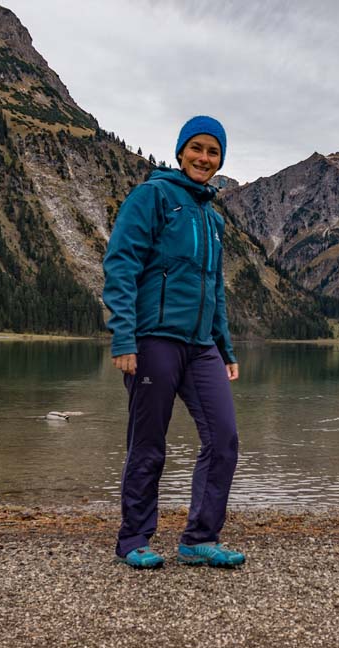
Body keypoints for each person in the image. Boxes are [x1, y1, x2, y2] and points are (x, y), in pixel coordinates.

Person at [102, 115, 244, 569]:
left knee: (223, 438)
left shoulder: (212, 216)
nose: (204, 158)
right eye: (197, 148)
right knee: (148, 442)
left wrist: (224, 348)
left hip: (201, 345)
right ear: (181, 151)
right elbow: (121, 264)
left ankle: (199, 538)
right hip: (153, 340)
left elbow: (213, 288)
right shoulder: (153, 196)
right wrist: (124, 336)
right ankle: (134, 539)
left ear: (221, 160)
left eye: (213, 152)